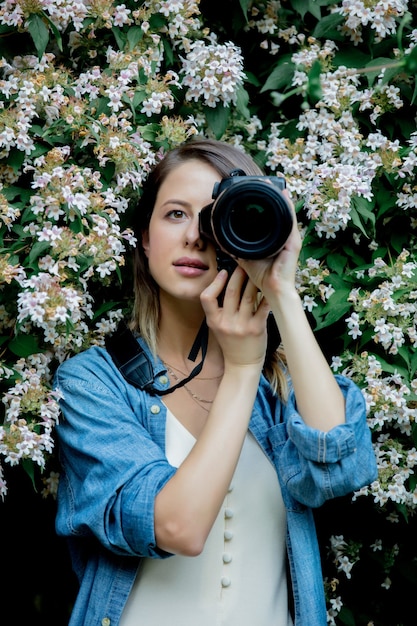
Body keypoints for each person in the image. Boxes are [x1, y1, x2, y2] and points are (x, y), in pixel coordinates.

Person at [54, 137, 378, 626]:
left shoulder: (278, 387)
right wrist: (242, 368)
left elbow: (340, 465)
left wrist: (281, 291)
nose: (194, 237)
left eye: (213, 218)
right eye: (175, 214)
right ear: (143, 236)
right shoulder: (95, 382)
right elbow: (177, 527)